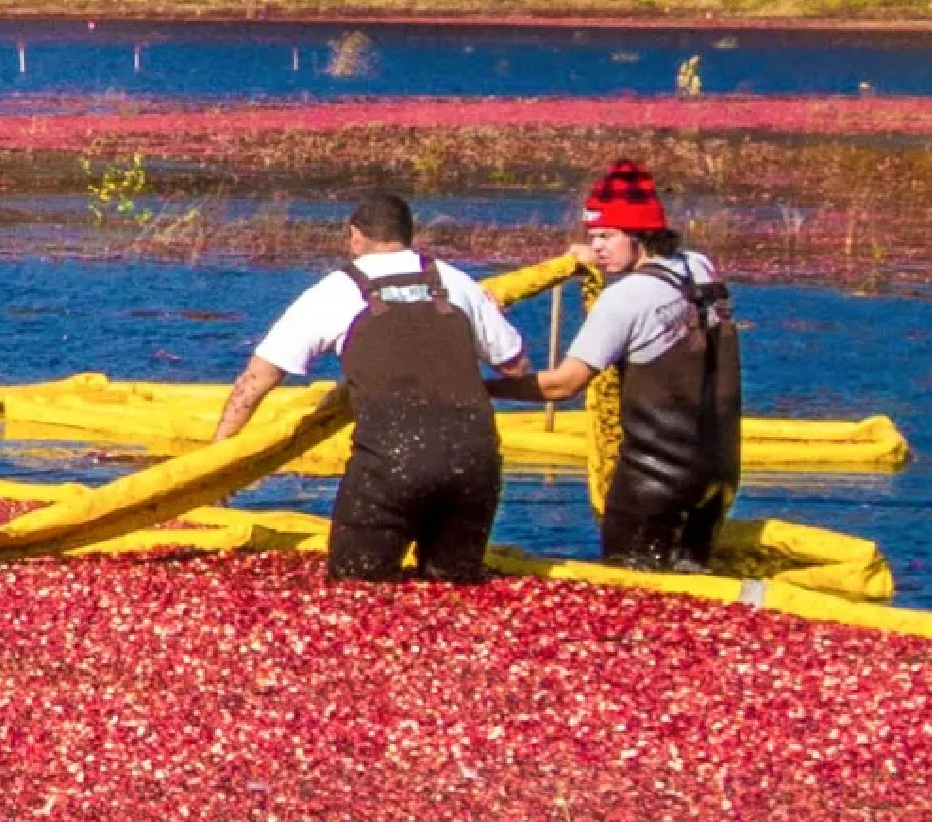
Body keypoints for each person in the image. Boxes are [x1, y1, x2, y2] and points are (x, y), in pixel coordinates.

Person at [207, 187, 530, 585]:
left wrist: (218, 461)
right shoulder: (456, 282)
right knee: (453, 593)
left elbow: (257, 380)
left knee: (357, 590)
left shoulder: (336, 291)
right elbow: (516, 366)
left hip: (392, 462)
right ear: (408, 235)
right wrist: (491, 313)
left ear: (355, 235)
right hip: (474, 459)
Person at [533, 159, 741, 571]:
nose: (597, 248)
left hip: (653, 484)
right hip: (717, 479)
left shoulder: (624, 299)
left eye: (607, 236)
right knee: (695, 589)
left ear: (640, 235)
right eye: (592, 238)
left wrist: (482, 387)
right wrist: (599, 253)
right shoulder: (698, 267)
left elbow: (564, 384)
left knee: (630, 590)